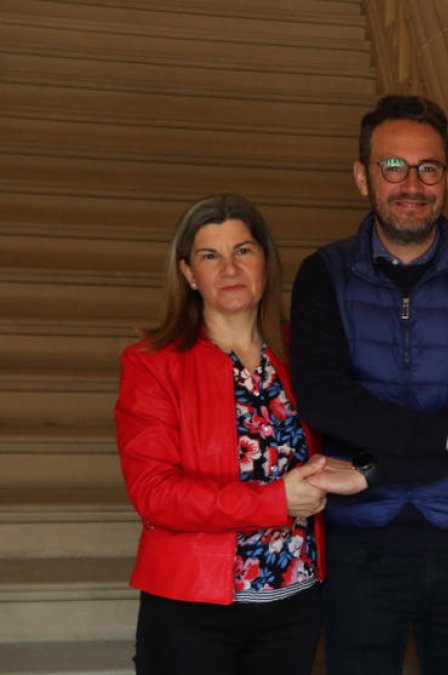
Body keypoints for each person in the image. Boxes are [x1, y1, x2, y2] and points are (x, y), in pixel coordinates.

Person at [289, 95, 448, 674]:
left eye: (428, 168)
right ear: (362, 175)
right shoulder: (324, 274)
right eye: (393, 167)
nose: (411, 184)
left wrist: (367, 465)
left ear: (445, 178)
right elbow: (326, 398)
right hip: (359, 545)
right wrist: (446, 438)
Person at [114, 194, 365, 675]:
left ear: (266, 263)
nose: (229, 268)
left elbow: (358, 427)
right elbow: (155, 495)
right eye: (211, 256)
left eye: (243, 251)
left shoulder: (302, 354)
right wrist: (274, 501)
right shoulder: (153, 364)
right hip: (192, 608)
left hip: (294, 602)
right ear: (188, 273)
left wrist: (362, 470)